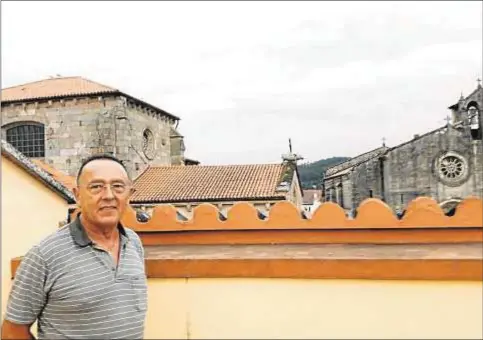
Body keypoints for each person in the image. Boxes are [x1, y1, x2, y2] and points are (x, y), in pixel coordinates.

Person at [1, 154, 148, 340]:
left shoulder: (133, 243)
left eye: (118, 186)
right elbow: (12, 332)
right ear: (77, 195)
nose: (109, 195)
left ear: (129, 194)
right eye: (96, 187)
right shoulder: (44, 256)